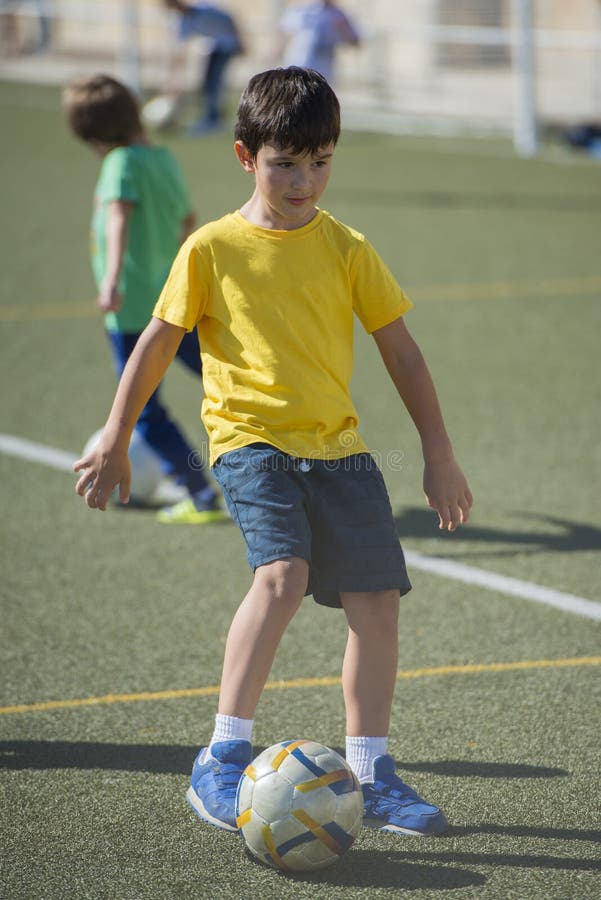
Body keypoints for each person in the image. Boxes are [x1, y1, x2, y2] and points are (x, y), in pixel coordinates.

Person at [73, 67, 473, 835]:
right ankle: (221, 758)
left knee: (377, 600)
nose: (304, 179)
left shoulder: (347, 247)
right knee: (283, 575)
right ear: (244, 156)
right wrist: (118, 438)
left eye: (320, 160)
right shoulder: (212, 247)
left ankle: (369, 771)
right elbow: (157, 343)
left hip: (339, 447)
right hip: (249, 440)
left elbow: (404, 354)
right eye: (286, 161)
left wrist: (439, 453)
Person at [63, 74, 226, 524]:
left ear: (94, 137)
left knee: (144, 409)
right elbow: (187, 219)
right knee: (224, 379)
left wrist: (111, 279)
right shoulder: (165, 159)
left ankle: (201, 495)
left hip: (134, 312)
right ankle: (288, 458)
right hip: (176, 304)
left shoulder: (119, 163)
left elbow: (118, 216)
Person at [161, 1, 243, 135]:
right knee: (207, 82)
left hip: (226, 45)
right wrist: (174, 81)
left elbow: (229, 19)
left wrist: (240, 40)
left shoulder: (205, 9)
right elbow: (180, 53)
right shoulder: (184, 22)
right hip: (213, 48)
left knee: (213, 83)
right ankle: (212, 117)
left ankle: (214, 120)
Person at [277, 0, 360, 84]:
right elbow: (283, 36)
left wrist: (342, 29)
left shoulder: (337, 15)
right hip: (296, 68)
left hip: (322, 73)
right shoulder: (299, 11)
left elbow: (355, 42)